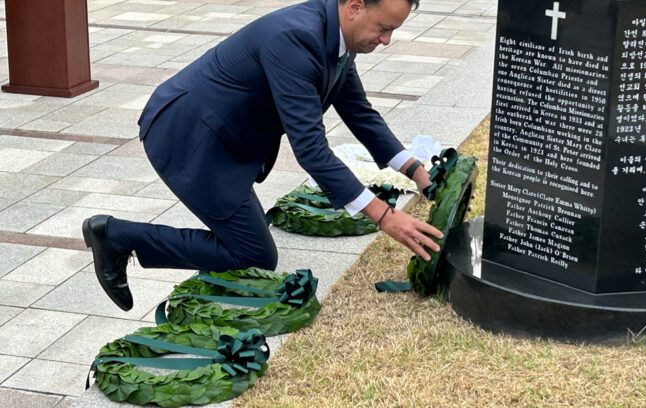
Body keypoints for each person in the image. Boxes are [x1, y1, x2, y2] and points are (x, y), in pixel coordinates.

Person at [82, 0, 443, 312]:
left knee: (250, 246)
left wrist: (416, 171)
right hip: (189, 136)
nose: (386, 40)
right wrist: (384, 216)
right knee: (253, 255)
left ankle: (203, 267)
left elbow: (360, 115)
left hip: (229, 140)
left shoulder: (338, 39)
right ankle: (114, 235)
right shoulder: (296, 38)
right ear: (354, 7)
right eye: (384, 28)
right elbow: (311, 149)